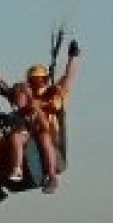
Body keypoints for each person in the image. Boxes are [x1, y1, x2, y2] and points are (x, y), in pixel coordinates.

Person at [21, 37, 81, 191]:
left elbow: (68, 79)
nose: (37, 83)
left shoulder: (53, 94)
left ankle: (52, 177)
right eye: (34, 81)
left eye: (40, 80)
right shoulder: (26, 97)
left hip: (52, 137)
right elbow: (8, 90)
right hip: (31, 136)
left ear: (45, 80)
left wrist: (72, 58)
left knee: (44, 136)